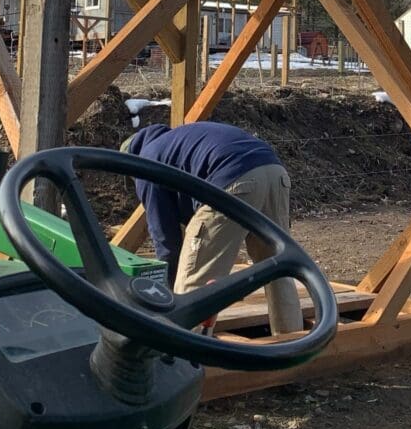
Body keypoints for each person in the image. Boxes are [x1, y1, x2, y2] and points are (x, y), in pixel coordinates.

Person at [121, 122, 303, 335]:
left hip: (233, 178)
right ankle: (291, 342)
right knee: (275, 266)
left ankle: (185, 354)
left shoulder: (144, 164)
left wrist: (170, 292)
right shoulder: (177, 142)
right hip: (275, 173)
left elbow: (165, 238)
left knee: (195, 280)